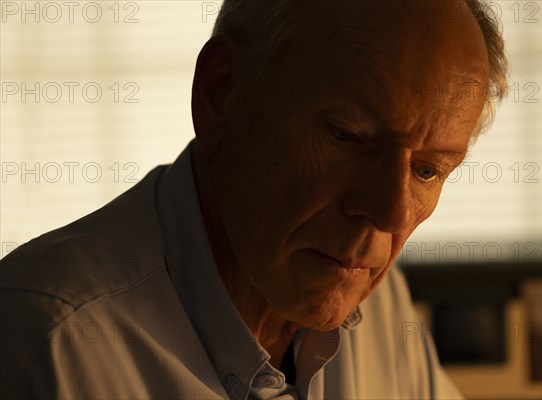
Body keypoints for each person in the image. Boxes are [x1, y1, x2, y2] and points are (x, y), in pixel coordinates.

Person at [0, 0, 508, 398]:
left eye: (427, 170)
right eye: (348, 135)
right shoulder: (42, 345)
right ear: (222, 93)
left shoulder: (377, 301)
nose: (390, 213)